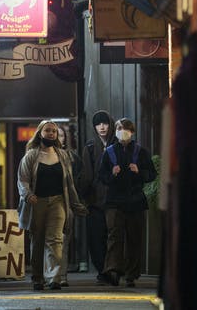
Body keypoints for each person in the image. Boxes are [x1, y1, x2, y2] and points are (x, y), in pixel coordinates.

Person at [17, 120, 88, 291]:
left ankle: (53, 278)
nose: (51, 134)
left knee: (55, 239)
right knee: (38, 240)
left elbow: (69, 183)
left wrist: (76, 204)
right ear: (40, 133)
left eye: (54, 131)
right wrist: (28, 195)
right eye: (47, 130)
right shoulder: (31, 155)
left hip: (58, 201)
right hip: (37, 202)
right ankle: (37, 277)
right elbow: (23, 179)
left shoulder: (62, 155)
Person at [99, 117, 157, 288]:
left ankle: (131, 274)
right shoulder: (109, 152)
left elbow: (151, 174)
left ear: (132, 132)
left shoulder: (141, 152)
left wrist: (139, 171)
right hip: (114, 202)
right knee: (114, 237)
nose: (122, 132)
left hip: (135, 201)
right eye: (119, 129)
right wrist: (112, 173)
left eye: (126, 129)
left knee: (134, 238)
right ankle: (113, 272)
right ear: (115, 132)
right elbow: (101, 176)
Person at [78, 109, 117, 285]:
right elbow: (86, 175)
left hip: (116, 200)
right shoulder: (91, 146)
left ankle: (112, 270)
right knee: (96, 238)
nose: (102, 127)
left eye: (105, 123)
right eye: (98, 124)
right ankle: (103, 271)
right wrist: (83, 196)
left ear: (110, 124)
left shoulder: (118, 144)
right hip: (95, 201)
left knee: (114, 238)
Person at [49, 124, 83, 287]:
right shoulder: (41, 155)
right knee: (51, 241)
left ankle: (61, 276)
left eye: (61, 135)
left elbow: (80, 180)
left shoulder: (73, 158)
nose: (58, 138)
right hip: (48, 202)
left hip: (66, 203)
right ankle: (52, 275)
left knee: (63, 240)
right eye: (56, 135)